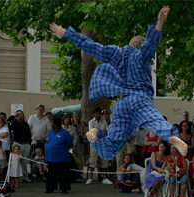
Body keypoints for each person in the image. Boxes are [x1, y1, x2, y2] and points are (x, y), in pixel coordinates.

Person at [50, 6, 187, 161]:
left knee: (109, 150)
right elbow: (150, 45)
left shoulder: (116, 53)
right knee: (155, 120)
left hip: (123, 104)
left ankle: (95, 134)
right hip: (139, 99)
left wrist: (66, 33)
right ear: (140, 48)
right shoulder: (141, 58)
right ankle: (172, 137)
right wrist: (159, 23)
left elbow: (91, 46)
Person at [44, 116, 74, 194]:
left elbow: (70, 143)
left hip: (62, 157)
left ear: (56, 124)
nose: (51, 124)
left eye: (52, 123)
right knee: (51, 174)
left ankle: (64, 188)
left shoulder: (65, 133)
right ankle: (50, 188)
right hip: (51, 157)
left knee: (63, 174)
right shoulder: (50, 132)